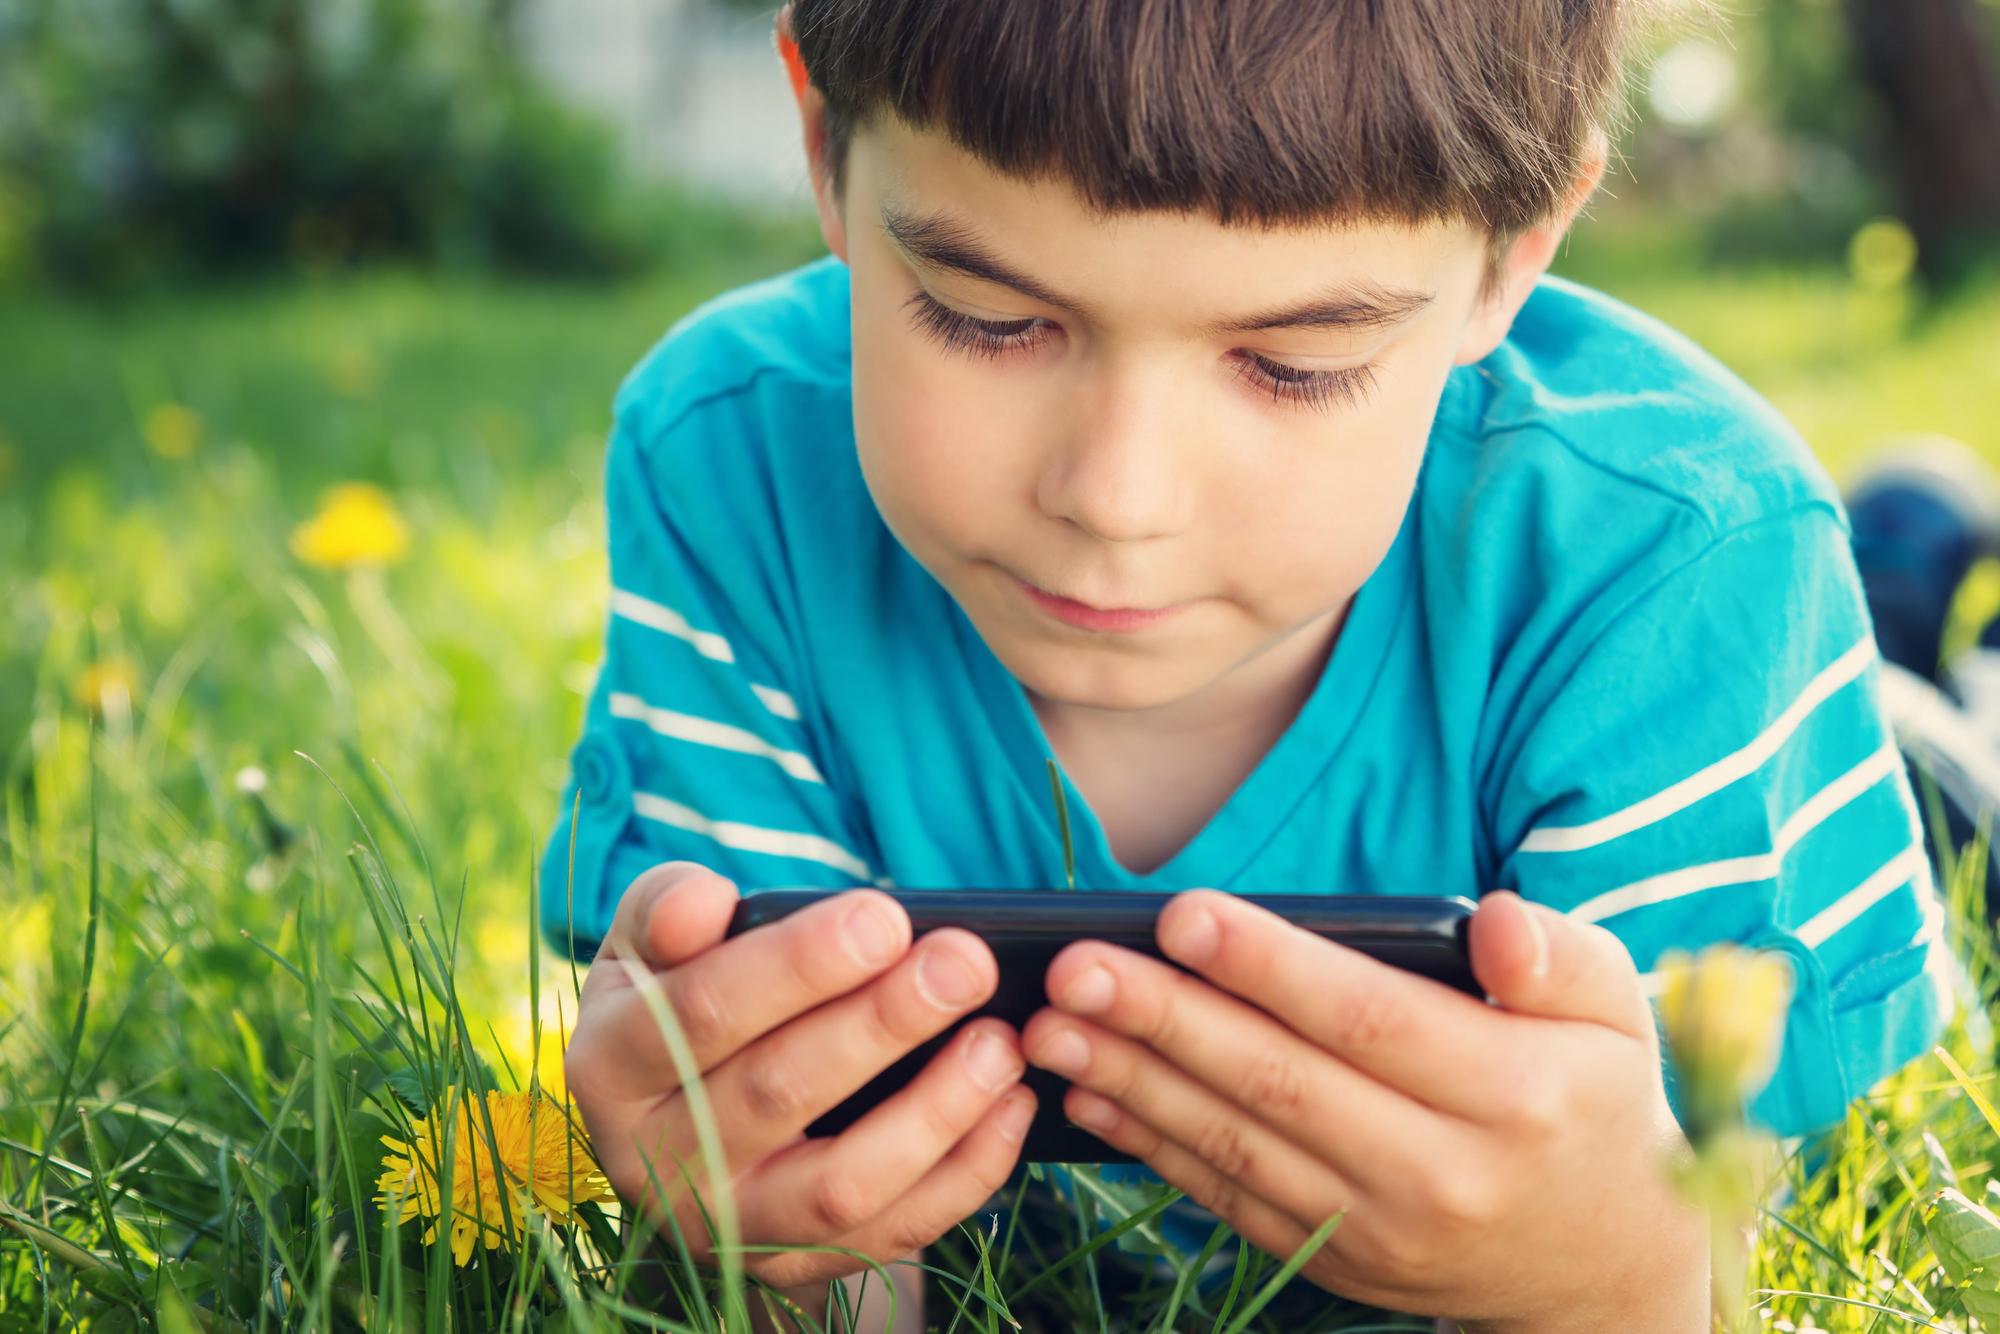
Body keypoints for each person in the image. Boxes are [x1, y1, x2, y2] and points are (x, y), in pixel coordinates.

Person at [544, 2, 1960, 1328]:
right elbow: (820, 1248)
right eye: (987, 316)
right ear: (825, 144)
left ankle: (1925, 608)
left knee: (1957, 760)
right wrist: (765, 1220)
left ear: (1513, 257)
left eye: (1291, 362)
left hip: (1838, 731)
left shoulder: (1685, 559)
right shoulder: (727, 464)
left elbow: (1712, 1232)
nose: (1116, 494)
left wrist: (1617, 1259)